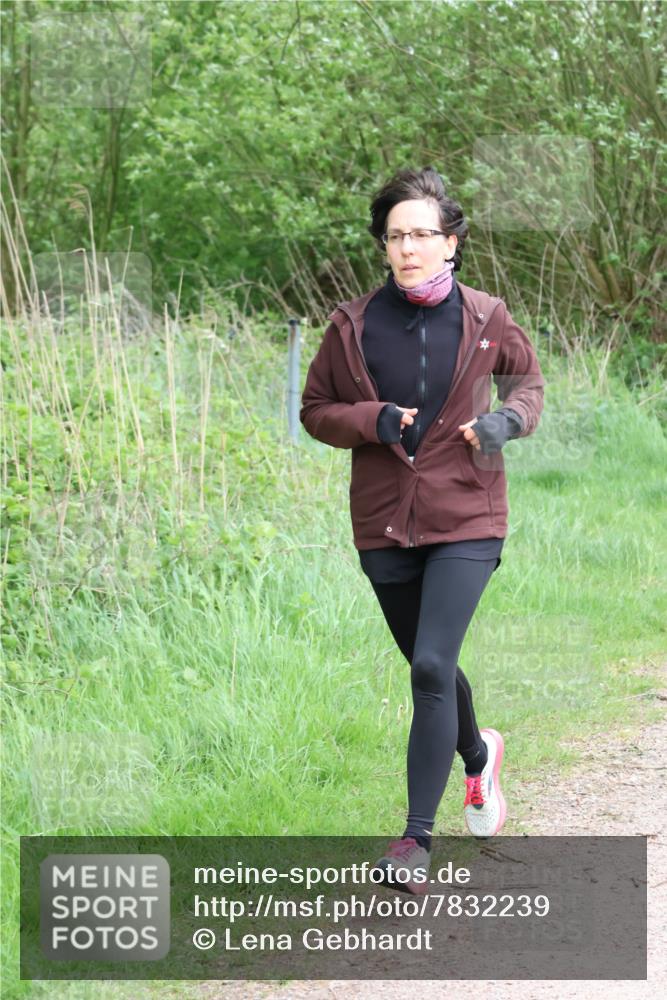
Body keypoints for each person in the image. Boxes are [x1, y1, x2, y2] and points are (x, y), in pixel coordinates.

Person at [300, 166, 544, 894]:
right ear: (382, 246)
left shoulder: (484, 315)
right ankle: (478, 755)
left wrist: (503, 423)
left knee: (432, 667)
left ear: (451, 242)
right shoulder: (351, 324)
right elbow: (314, 410)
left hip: (467, 512)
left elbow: (527, 385)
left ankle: (414, 839)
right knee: (425, 662)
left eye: (422, 234)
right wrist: (368, 420)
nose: (408, 247)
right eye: (395, 236)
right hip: (382, 521)